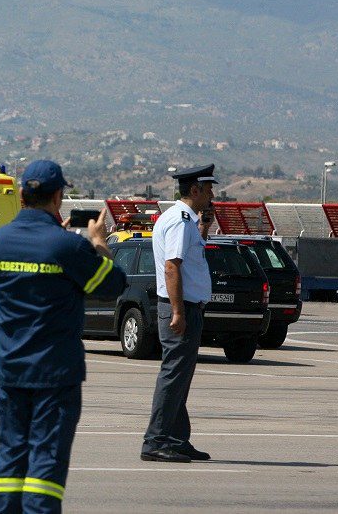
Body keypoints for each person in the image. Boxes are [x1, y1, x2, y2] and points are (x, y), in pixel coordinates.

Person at [0, 160, 127, 513]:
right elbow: (112, 285)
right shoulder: (67, 247)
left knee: (10, 458)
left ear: (21, 196)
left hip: (11, 369)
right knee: (44, 465)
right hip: (53, 373)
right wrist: (97, 244)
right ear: (59, 197)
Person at [141, 164, 217, 464]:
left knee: (180, 377)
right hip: (180, 308)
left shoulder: (188, 221)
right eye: (208, 190)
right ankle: (156, 440)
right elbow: (172, 266)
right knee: (173, 377)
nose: (212, 196)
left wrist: (204, 228)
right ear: (195, 190)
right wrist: (177, 312)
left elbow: (188, 259)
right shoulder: (179, 220)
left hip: (187, 307)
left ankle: (175, 438)